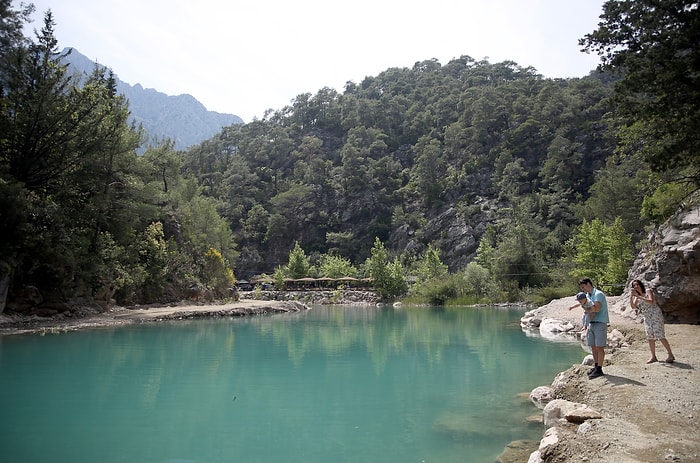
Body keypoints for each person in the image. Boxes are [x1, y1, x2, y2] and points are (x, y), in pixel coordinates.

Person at [629, 279, 675, 364]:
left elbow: (651, 301)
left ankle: (670, 354)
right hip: (647, 317)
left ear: (640, 285)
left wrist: (639, 297)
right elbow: (633, 306)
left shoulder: (648, 291)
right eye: (634, 285)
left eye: (637, 284)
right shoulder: (636, 297)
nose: (636, 286)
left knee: (660, 335)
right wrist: (631, 297)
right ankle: (653, 356)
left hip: (655, 315)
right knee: (650, 336)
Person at [579, 277, 609, 378]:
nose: (583, 289)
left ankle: (600, 369)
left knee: (600, 347)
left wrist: (588, 310)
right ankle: (596, 366)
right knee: (593, 346)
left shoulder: (598, 294)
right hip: (592, 323)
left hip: (600, 322)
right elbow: (589, 308)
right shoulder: (587, 296)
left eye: (583, 287)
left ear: (588, 284)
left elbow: (597, 308)